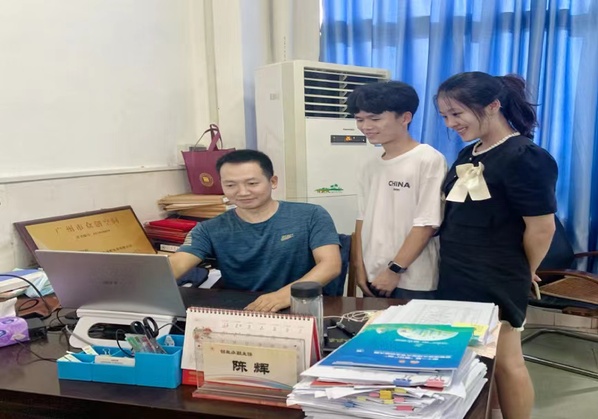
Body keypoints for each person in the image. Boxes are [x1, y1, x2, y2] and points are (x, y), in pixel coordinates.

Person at [435, 71, 557, 419]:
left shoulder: (525, 156)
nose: (450, 123)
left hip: (497, 272)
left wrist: (525, 270)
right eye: (444, 116)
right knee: (473, 358)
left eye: (457, 113)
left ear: (493, 105)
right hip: (458, 268)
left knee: (506, 360)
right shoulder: (469, 153)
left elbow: (542, 229)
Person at [169, 149, 341, 312]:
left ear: (273, 182)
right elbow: (177, 264)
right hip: (245, 310)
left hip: (302, 306)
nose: (243, 192)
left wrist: (282, 296)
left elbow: (330, 265)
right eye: (230, 185)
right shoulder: (209, 229)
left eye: (252, 183)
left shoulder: (311, 215)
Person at [347, 81, 447, 299]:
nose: (365, 126)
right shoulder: (369, 164)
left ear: (405, 118)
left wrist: (394, 270)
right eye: (359, 119)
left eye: (375, 119)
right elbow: (362, 218)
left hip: (413, 279)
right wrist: (359, 267)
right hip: (373, 274)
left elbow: (427, 223)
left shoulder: (428, 159)